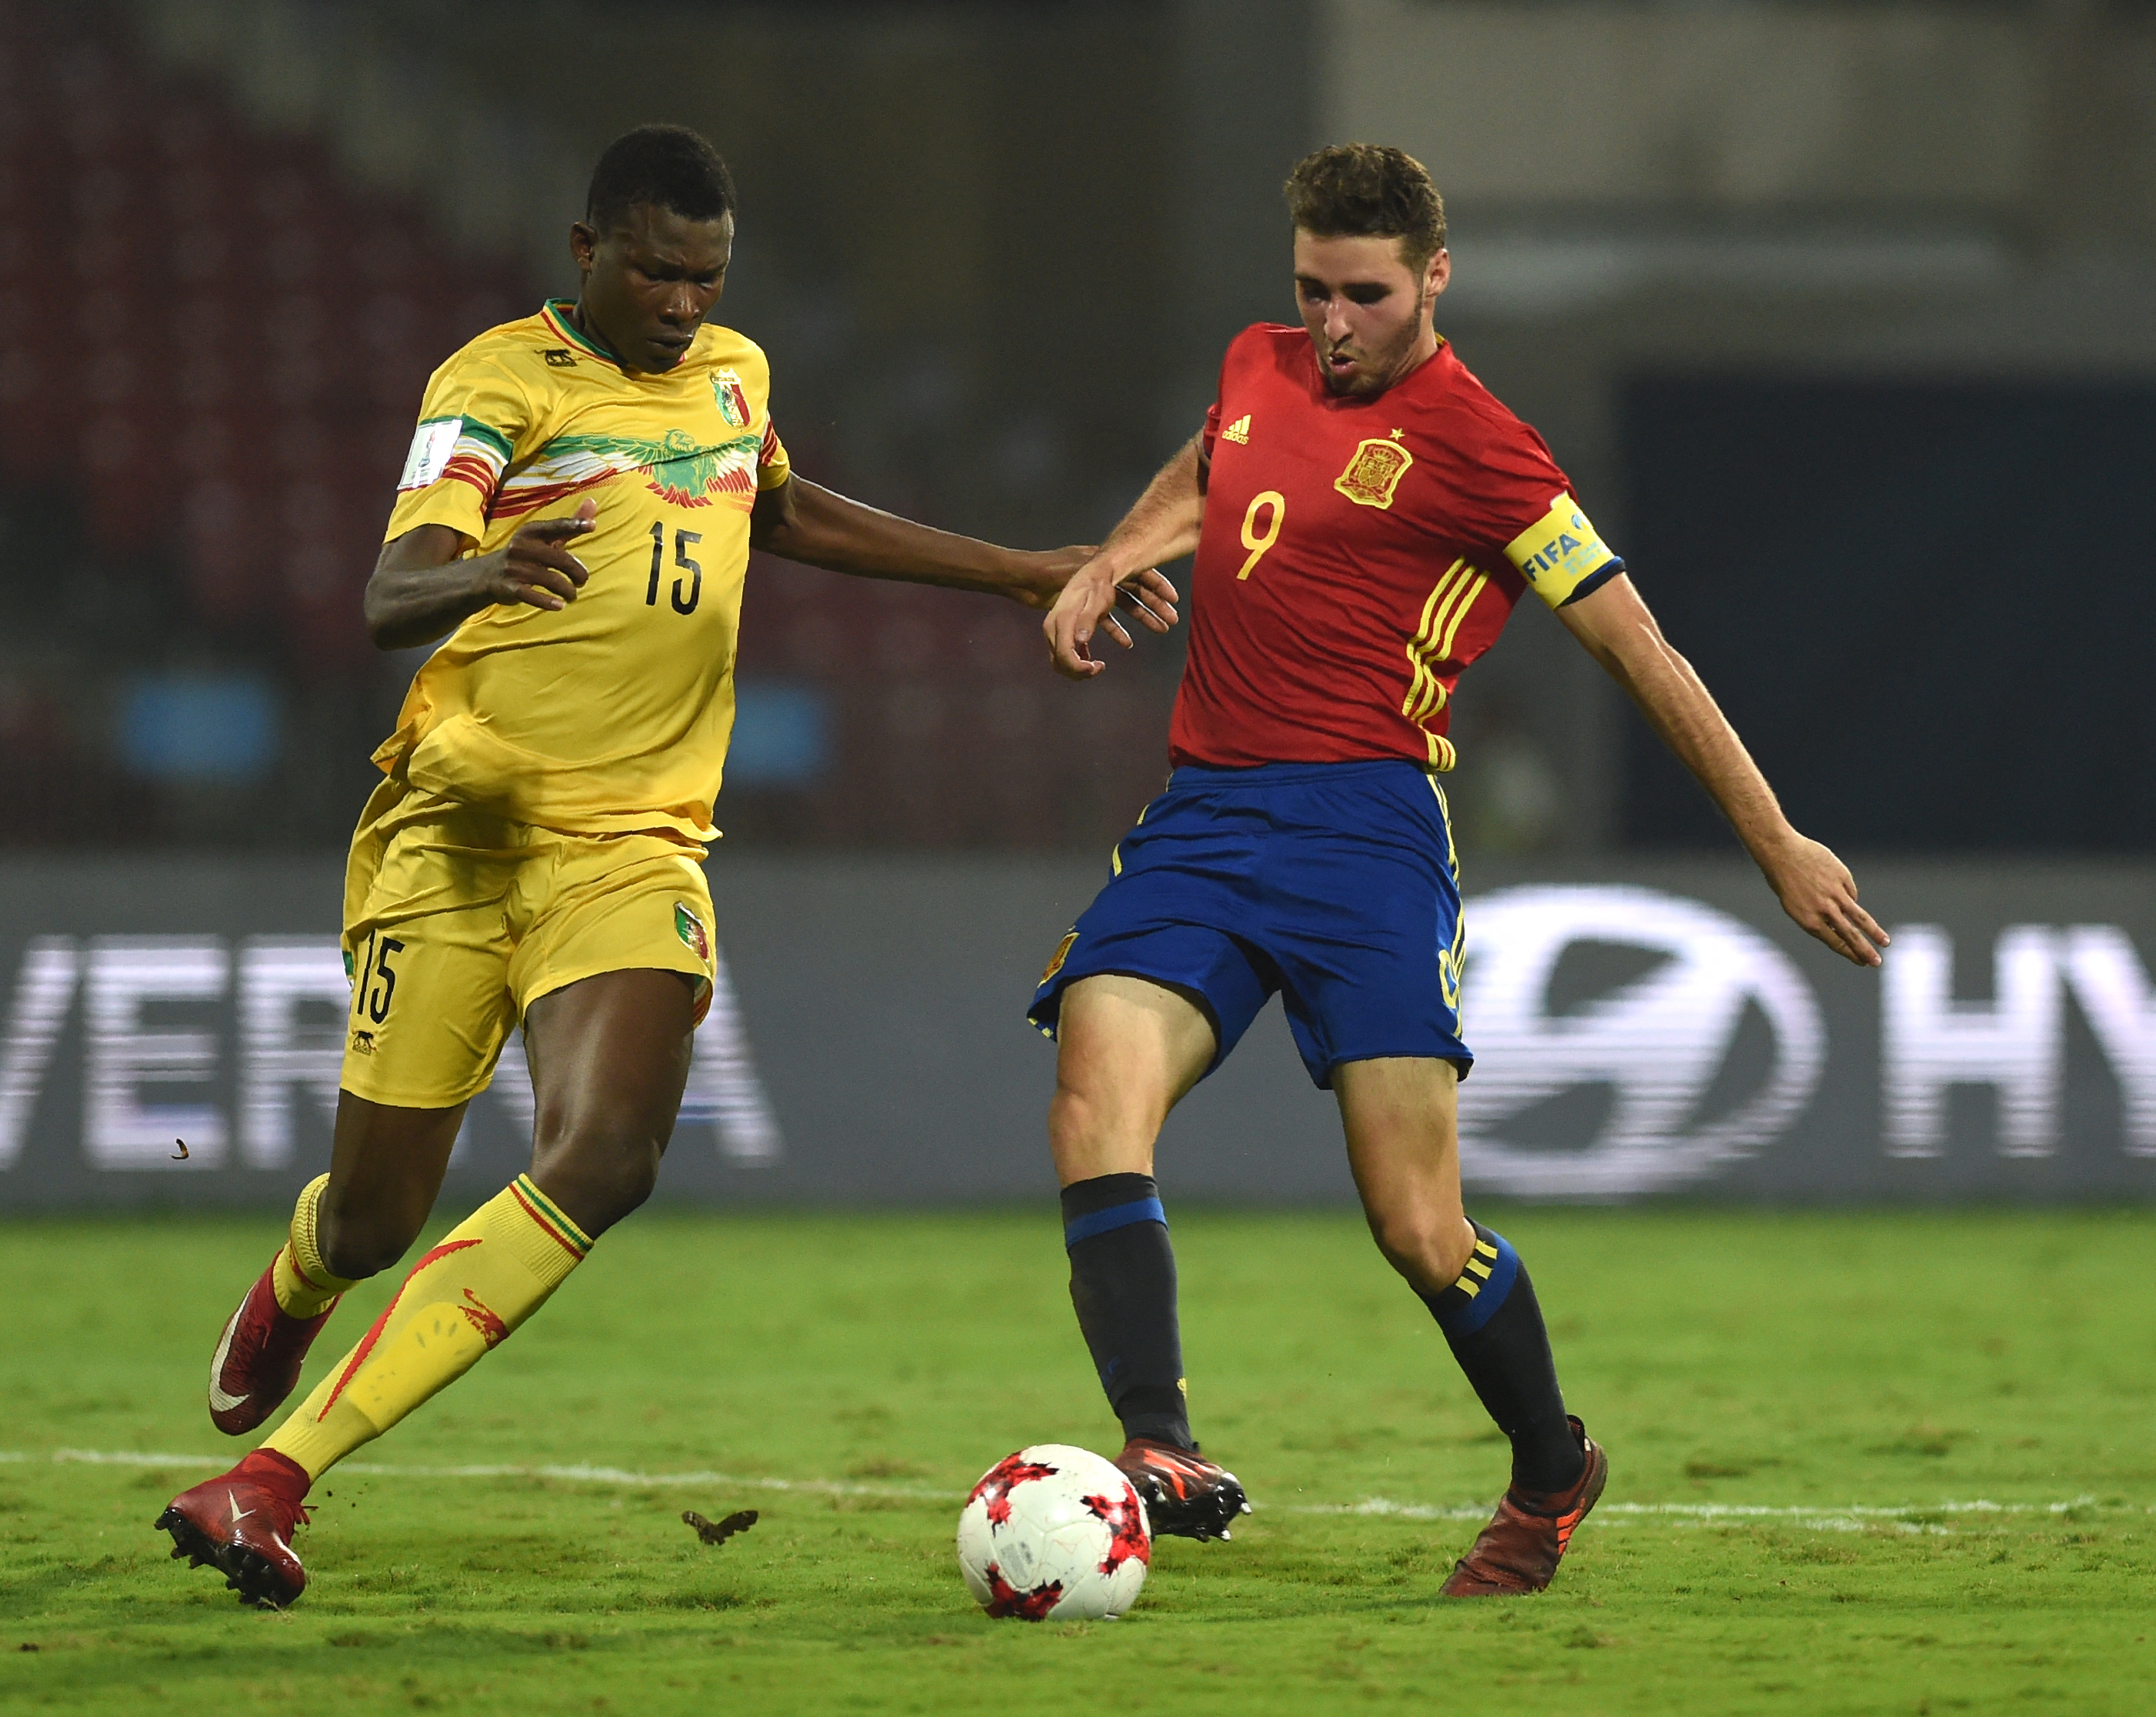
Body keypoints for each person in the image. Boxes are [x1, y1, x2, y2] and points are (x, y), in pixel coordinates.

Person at [156, 124, 1176, 1609]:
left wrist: (1020, 570)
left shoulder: (732, 376)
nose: (685, 305)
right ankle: (305, 1273)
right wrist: (484, 570)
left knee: (606, 1159)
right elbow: (389, 591)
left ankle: (271, 1479)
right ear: (586, 253)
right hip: (458, 831)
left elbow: (783, 508)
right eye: (655, 274)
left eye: (707, 278)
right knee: (376, 1215)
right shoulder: (494, 382)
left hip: (637, 841)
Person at [1028, 143, 1887, 1595]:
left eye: (1362, 295)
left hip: (1367, 837)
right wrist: (1116, 556)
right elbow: (1216, 458)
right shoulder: (1258, 363)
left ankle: (1551, 1468)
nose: (1329, 324)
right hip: (1204, 817)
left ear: (1434, 277)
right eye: (1311, 289)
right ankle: (1160, 1446)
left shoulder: (1486, 449)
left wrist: (1773, 839)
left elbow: (1635, 646)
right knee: (1090, 1094)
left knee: (1418, 1227)